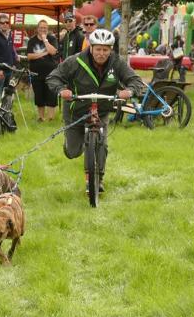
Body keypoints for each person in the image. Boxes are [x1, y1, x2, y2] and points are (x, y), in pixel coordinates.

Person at [47, 28, 145, 194]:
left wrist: (129, 91)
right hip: (76, 111)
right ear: (91, 47)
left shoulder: (117, 63)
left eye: (105, 50)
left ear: (111, 50)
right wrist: (61, 90)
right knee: (73, 152)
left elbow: (135, 80)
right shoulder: (75, 61)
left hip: (102, 110)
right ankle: (72, 145)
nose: (101, 53)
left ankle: (97, 179)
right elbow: (53, 77)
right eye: (98, 49)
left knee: (102, 144)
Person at [26, 19, 59, 122]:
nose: (43, 29)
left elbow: (53, 51)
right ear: (37, 29)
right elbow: (29, 56)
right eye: (41, 27)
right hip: (36, 72)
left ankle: (50, 118)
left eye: (45, 28)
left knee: (51, 94)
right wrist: (44, 54)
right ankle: (40, 117)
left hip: (51, 72)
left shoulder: (52, 39)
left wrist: (45, 40)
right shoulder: (32, 40)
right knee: (39, 95)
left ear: (47, 29)